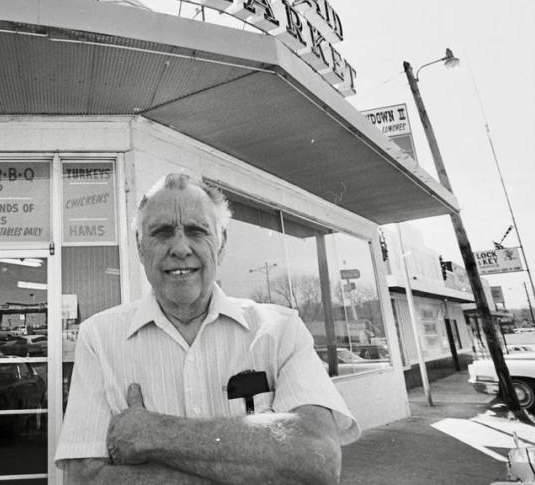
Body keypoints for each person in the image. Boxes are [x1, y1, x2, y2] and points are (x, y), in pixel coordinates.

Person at [55, 173, 359, 484]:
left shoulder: (281, 330)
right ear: (139, 245)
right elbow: (86, 478)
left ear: (222, 242)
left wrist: (153, 433)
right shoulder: (99, 338)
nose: (180, 248)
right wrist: (254, 465)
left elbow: (317, 459)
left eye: (196, 231)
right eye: (161, 233)